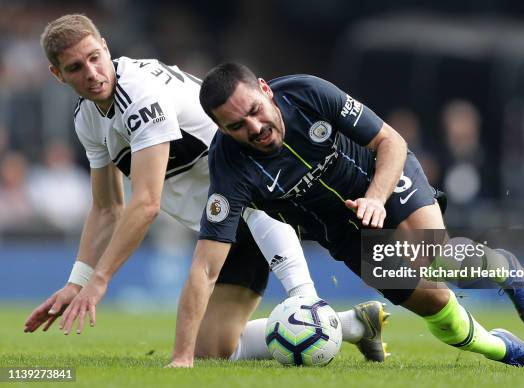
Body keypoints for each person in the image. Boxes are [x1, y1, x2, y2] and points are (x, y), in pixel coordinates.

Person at [23, 14, 390, 365]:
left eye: (94, 57)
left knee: (419, 270)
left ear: (105, 46)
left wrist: (100, 282)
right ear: (57, 74)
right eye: (75, 68)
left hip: (272, 200)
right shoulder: (86, 118)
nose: (91, 73)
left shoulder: (139, 95)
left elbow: (147, 203)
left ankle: (322, 303)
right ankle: (352, 323)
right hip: (223, 225)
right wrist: (78, 282)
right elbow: (106, 208)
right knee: (213, 348)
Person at [163, 62, 524, 368]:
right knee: (433, 301)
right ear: (221, 128)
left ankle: (507, 269)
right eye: (237, 125)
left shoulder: (308, 93)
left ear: (265, 90)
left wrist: (376, 197)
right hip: (343, 232)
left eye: (254, 109)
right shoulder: (229, 168)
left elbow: (388, 140)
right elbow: (204, 267)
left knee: (433, 256)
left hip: (384, 176)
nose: (255, 127)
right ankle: (507, 349)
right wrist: (183, 356)